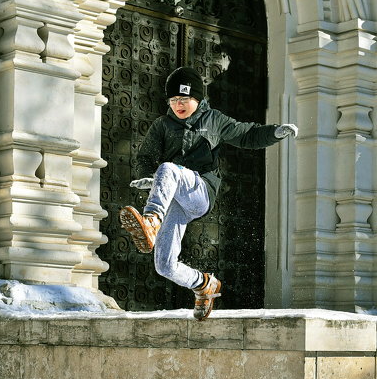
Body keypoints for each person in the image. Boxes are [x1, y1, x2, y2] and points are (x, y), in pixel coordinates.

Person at [119, 67, 297, 320]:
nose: (178, 105)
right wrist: (148, 176)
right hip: (176, 201)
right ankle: (204, 285)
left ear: (198, 99)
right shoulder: (162, 125)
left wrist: (275, 133)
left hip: (201, 191)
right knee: (164, 265)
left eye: (184, 99)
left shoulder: (213, 119)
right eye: (173, 100)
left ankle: (151, 221)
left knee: (169, 168)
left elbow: (246, 134)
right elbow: (145, 156)